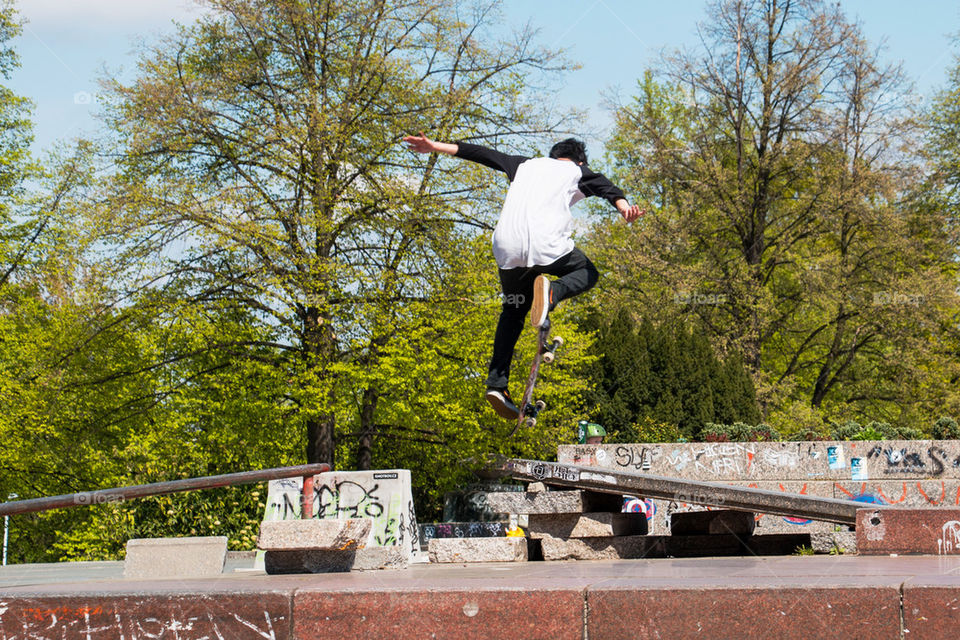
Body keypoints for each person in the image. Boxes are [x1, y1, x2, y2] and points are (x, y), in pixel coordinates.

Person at [403, 133, 643, 419]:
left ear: (554, 154)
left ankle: (497, 384)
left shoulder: (523, 164)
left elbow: (481, 153)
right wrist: (625, 209)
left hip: (507, 248)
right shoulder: (577, 170)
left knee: (513, 310)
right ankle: (552, 293)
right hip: (547, 247)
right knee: (588, 272)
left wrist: (434, 147)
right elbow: (609, 190)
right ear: (579, 159)